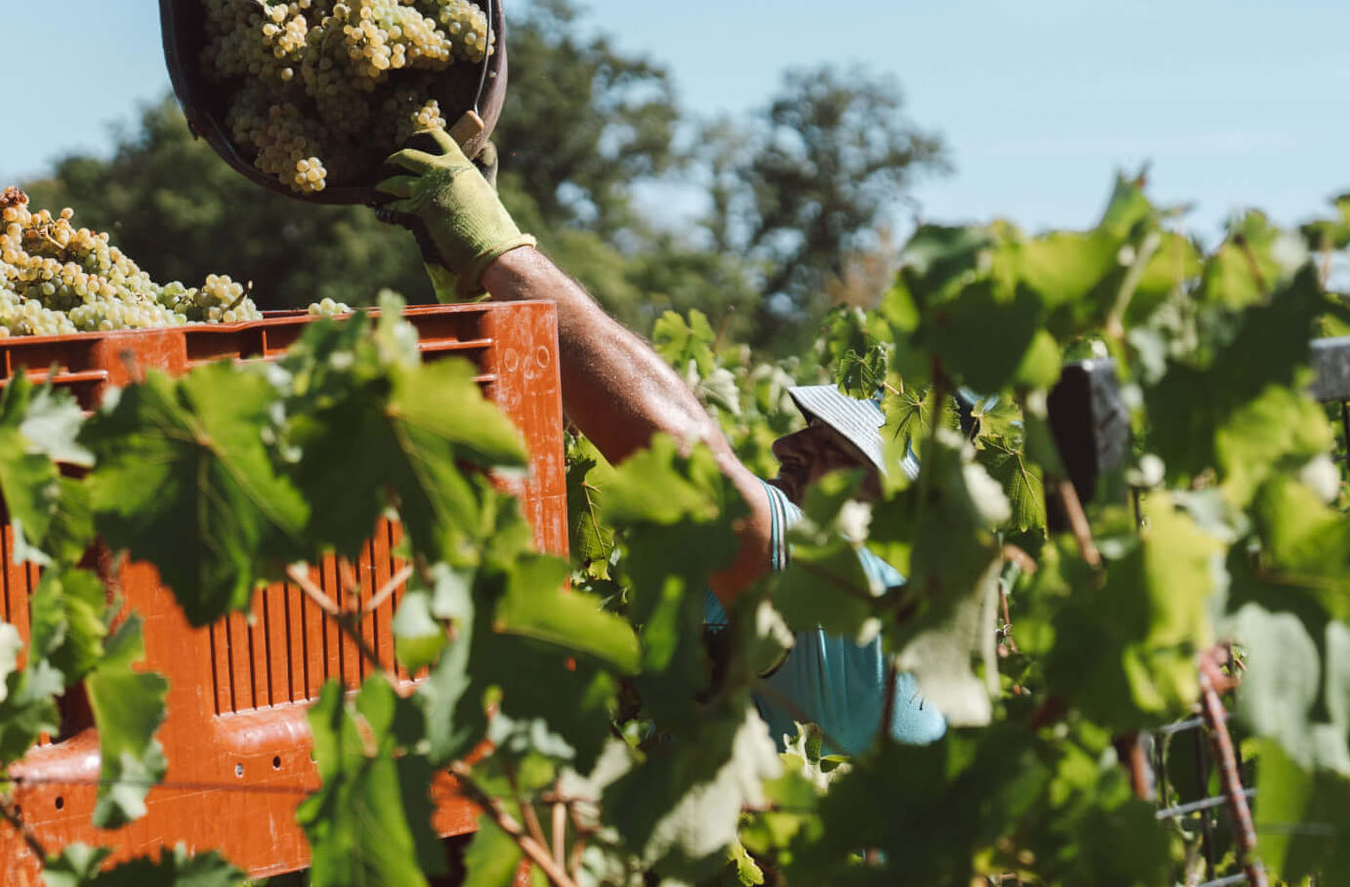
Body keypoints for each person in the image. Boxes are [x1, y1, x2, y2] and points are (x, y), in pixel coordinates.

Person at [376, 122, 945, 757]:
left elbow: (683, 457)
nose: (786, 446)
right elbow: (594, 434)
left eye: (833, 451)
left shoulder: (859, 603)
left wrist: (501, 253)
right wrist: (487, 300)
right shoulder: (741, 601)